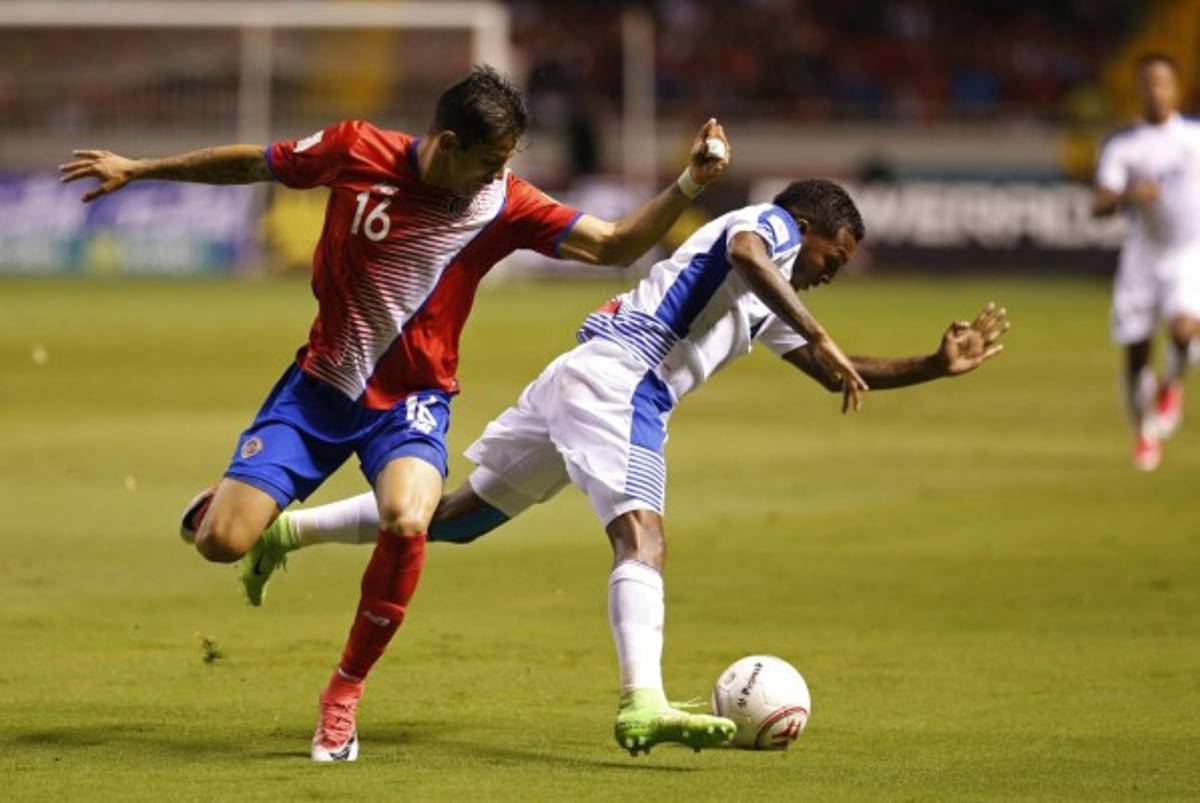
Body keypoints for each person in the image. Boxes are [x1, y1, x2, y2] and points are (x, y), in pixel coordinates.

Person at [61, 66, 866, 763]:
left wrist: (688, 183)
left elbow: (617, 243)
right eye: (488, 160)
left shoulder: (502, 201)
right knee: (220, 543)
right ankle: (241, 519)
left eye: (507, 163)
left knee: (413, 519)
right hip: (318, 386)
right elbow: (258, 165)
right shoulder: (356, 150)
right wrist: (143, 167)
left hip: (412, 402)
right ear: (445, 143)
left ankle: (342, 695)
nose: (498, 177)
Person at [233, 180, 1008, 760]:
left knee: (458, 519)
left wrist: (934, 366)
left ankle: (288, 530)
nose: (827, 275)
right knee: (643, 537)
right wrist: (822, 324)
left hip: (583, 374)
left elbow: (835, 371)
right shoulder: (761, 227)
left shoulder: (764, 300)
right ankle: (642, 700)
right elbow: (747, 253)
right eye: (829, 259)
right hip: (624, 380)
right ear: (804, 228)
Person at [1093, 53, 1200, 471]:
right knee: (1136, 354)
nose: (1155, 89)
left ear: (1177, 88)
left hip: (1189, 253)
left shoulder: (1194, 138)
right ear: (1138, 89)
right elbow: (1099, 204)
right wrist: (1128, 195)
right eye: (1148, 82)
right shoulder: (1125, 145)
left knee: (1183, 328)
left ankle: (1171, 384)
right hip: (1142, 255)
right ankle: (1144, 433)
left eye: (1163, 81)